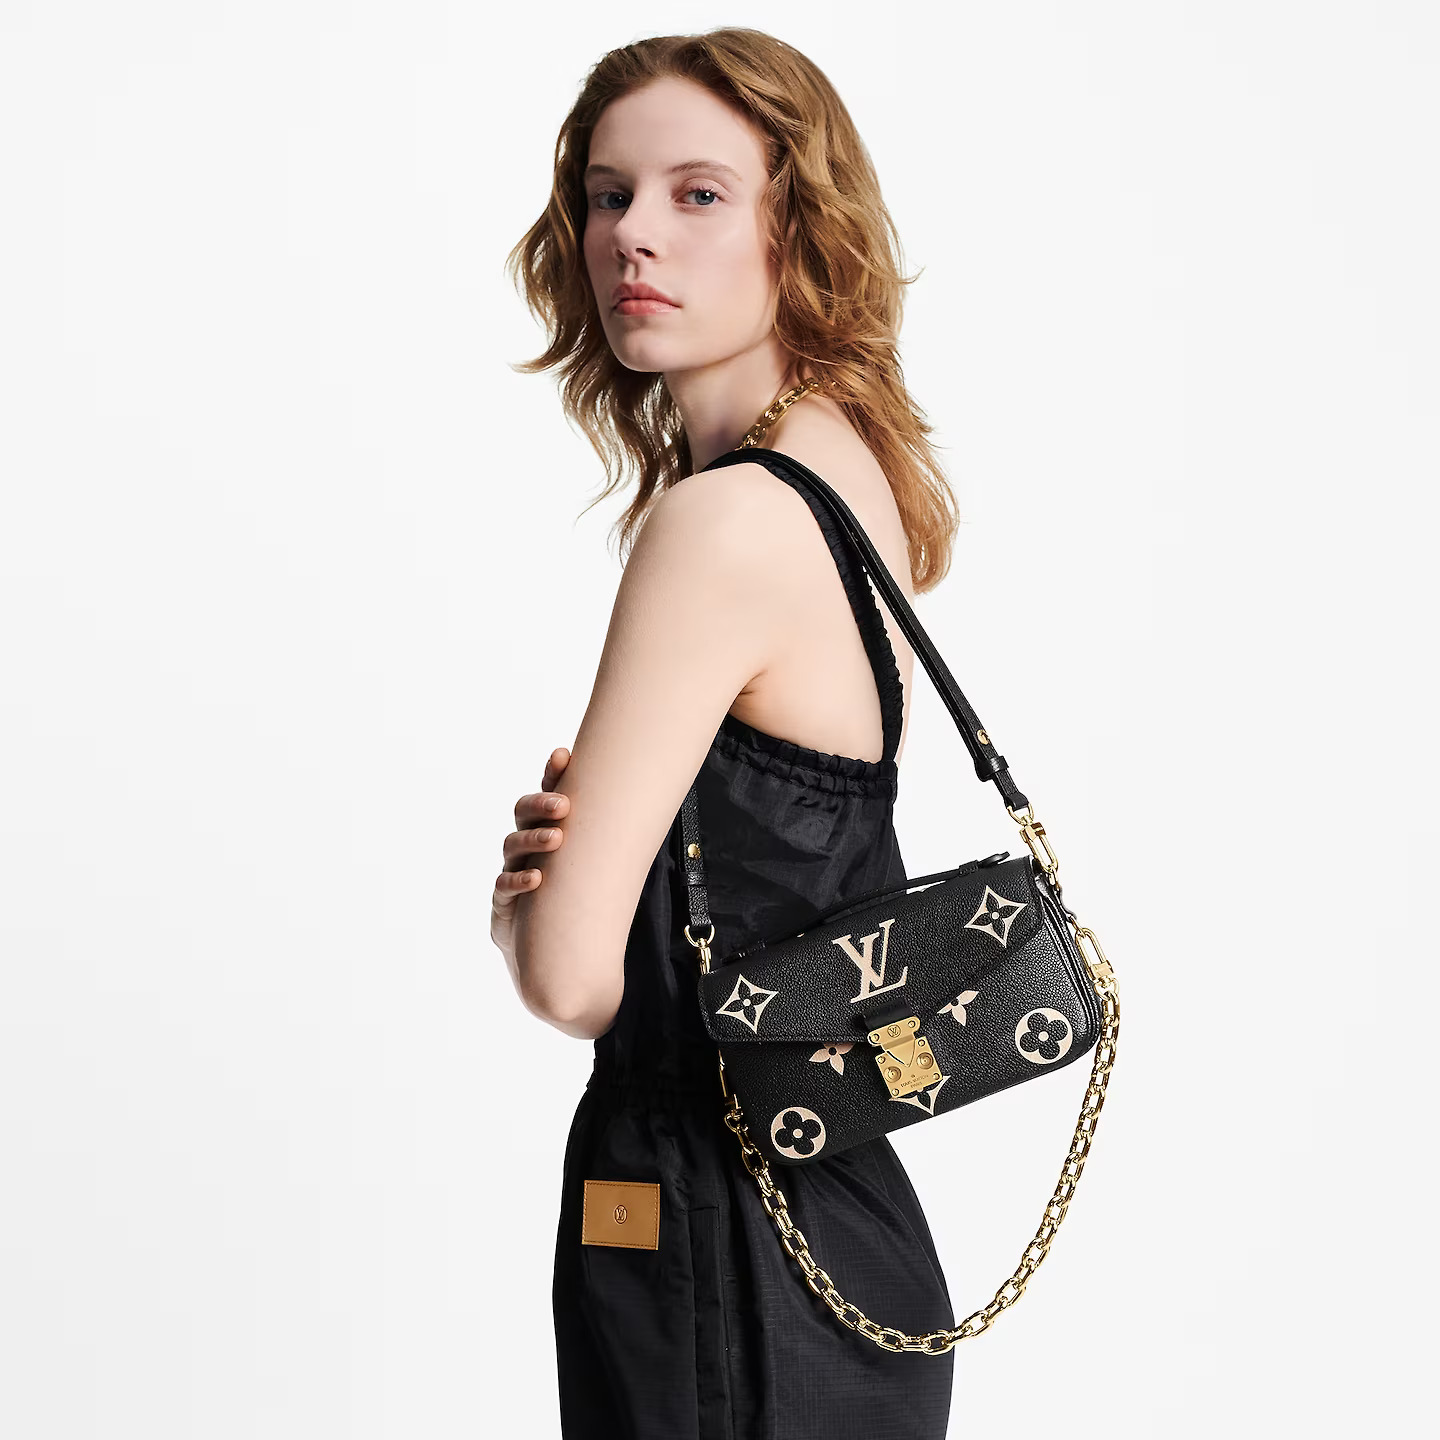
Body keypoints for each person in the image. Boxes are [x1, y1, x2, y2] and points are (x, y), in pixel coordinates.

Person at [494, 27, 962, 1438]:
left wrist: (524, 909)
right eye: (607, 194)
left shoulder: (722, 523)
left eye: (698, 193)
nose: (633, 234)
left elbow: (573, 982)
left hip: (709, 1238)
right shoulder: (851, 474)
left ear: (796, 229)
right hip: (836, 1223)